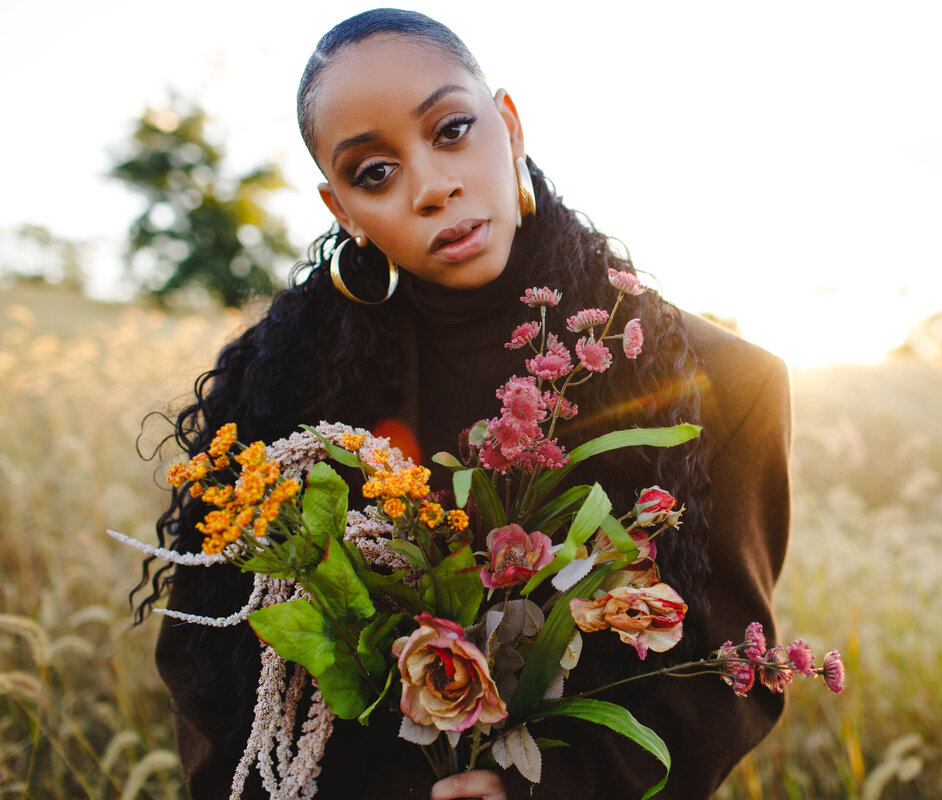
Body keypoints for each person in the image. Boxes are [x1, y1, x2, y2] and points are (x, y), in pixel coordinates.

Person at [137, 9, 792, 799]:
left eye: (451, 130)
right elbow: (208, 663)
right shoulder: (277, 390)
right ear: (341, 209)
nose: (433, 186)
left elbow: (728, 671)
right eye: (374, 173)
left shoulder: (728, 383)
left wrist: (548, 791)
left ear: (509, 126)